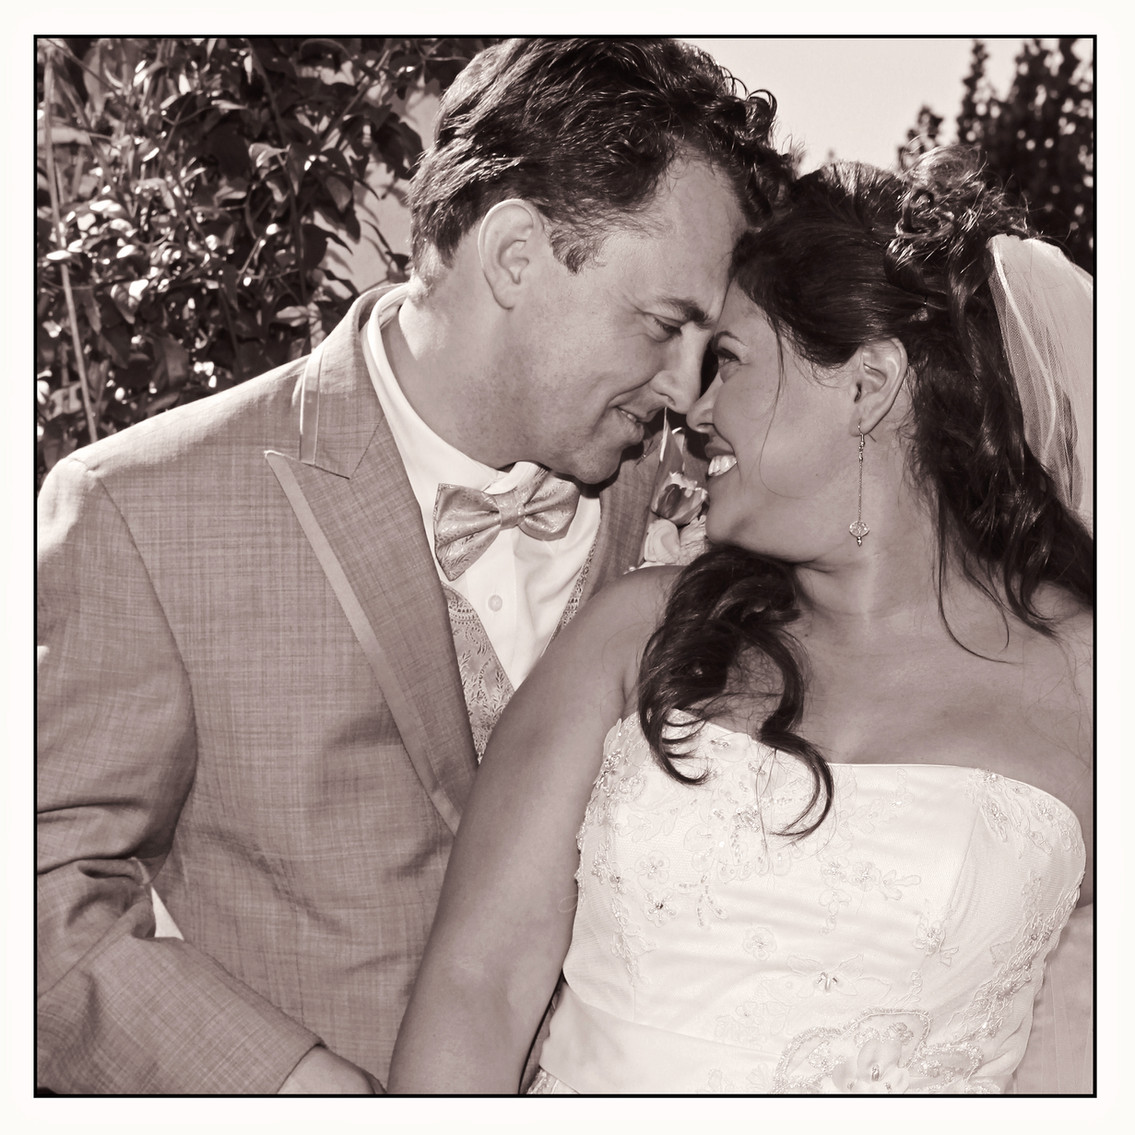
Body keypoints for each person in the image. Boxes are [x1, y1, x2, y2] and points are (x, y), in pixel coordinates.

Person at [36, 38, 790, 1093]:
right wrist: (295, 1089)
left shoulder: (720, 499)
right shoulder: (141, 509)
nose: (683, 390)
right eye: (665, 325)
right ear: (515, 254)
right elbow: (41, 902)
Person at [388, 148, 1093, 1095]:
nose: (693, 406)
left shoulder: (1092, 681)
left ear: (867, 385)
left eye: (729, 359)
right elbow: (478, 985)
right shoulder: (634, 633)